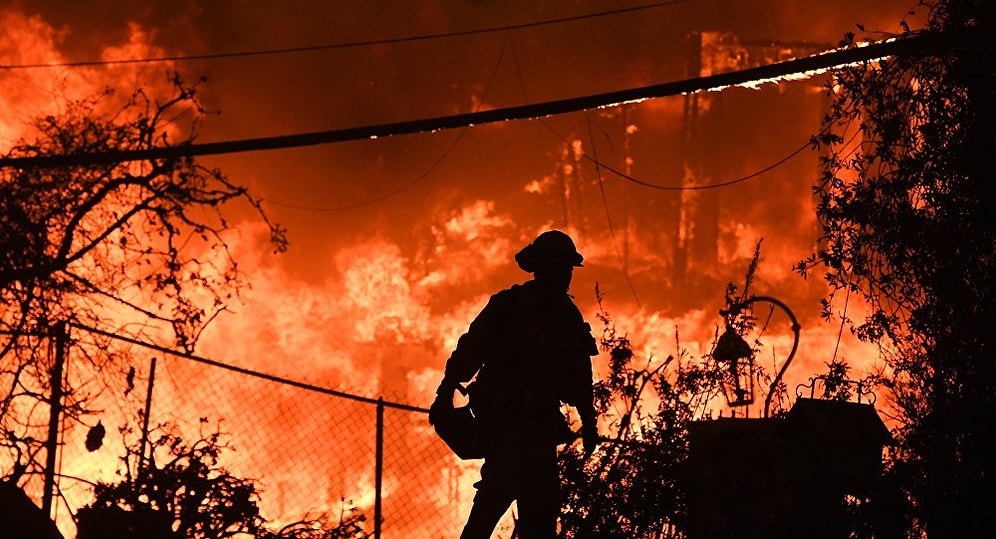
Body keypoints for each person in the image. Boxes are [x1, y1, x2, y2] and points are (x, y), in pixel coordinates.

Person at [430, 230, 600, 539]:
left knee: (541, 521)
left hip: (540, 435)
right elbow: (471, 349)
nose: (565, 277)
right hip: (504, 429)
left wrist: (589, 421)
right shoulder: (508, 306)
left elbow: (580, 374)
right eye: (559, 268)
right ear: (541, 269)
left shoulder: (567, 316)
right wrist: (447, 390)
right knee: (489, 509)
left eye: (567, 270)